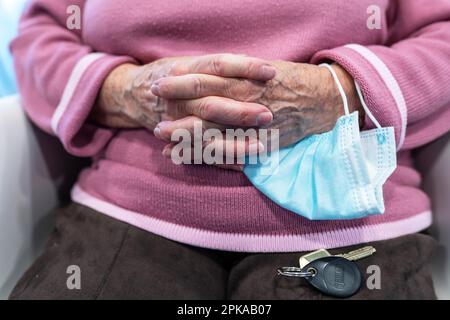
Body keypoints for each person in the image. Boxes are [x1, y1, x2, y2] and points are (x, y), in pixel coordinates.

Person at [9, 0, 450, 299]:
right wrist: (121, 91)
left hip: (343, 213)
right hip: (130, 208)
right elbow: (41, 33)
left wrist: (341, 91)